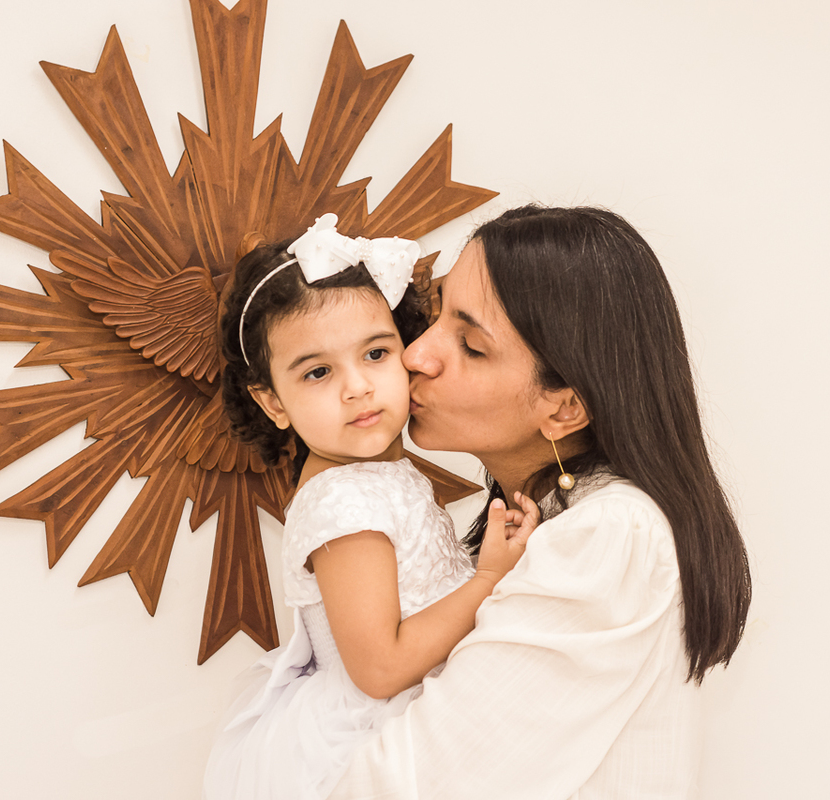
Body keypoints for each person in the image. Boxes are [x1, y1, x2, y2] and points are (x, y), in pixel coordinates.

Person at [327, 205, 753, 799]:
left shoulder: (610, 537)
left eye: (471, 345)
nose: (417, 354)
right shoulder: (540, 528)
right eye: (438, 311)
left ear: (563, 409)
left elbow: (410, 786)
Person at [204, 214, 540, 800]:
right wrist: (487, 579)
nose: (356, 386)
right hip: (368, 740)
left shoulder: (371, 478)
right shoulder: (342, 503)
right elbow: (380, 668)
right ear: (272, 402)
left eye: (376, 354)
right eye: (317, 372)